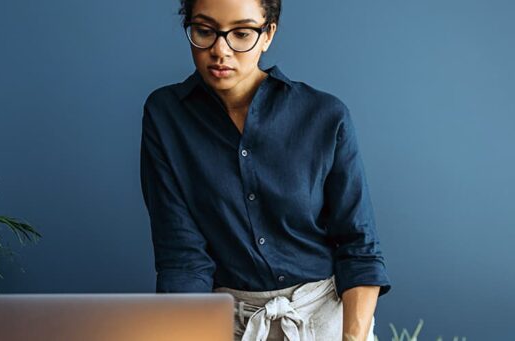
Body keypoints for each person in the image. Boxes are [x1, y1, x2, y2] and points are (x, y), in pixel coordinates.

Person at [139, 0, 391, 340]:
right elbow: (182, 258)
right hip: (226, 324)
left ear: (268, 33)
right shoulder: (166, 115)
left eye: (241, 34)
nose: (220, 50)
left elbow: (358, 247)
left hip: (327, 323)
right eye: (204, 31)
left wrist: (353, 339)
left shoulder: (325, 116)